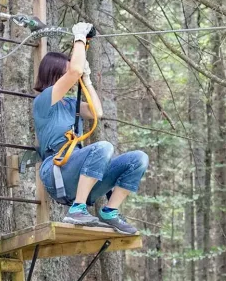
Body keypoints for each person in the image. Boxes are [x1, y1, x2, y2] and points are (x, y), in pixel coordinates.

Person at [32, 22, 147, 234]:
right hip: (57, 170)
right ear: (56, 74)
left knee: (138, 159)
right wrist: (79, 37)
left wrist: (88, 79)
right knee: (102, 147)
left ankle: (109, 211)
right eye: (66, 73)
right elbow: (73, 71)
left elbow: (96, 113)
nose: (72, 77)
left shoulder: (69, 103)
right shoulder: (44, 100)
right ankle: (77, 209)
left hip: (78, 172)